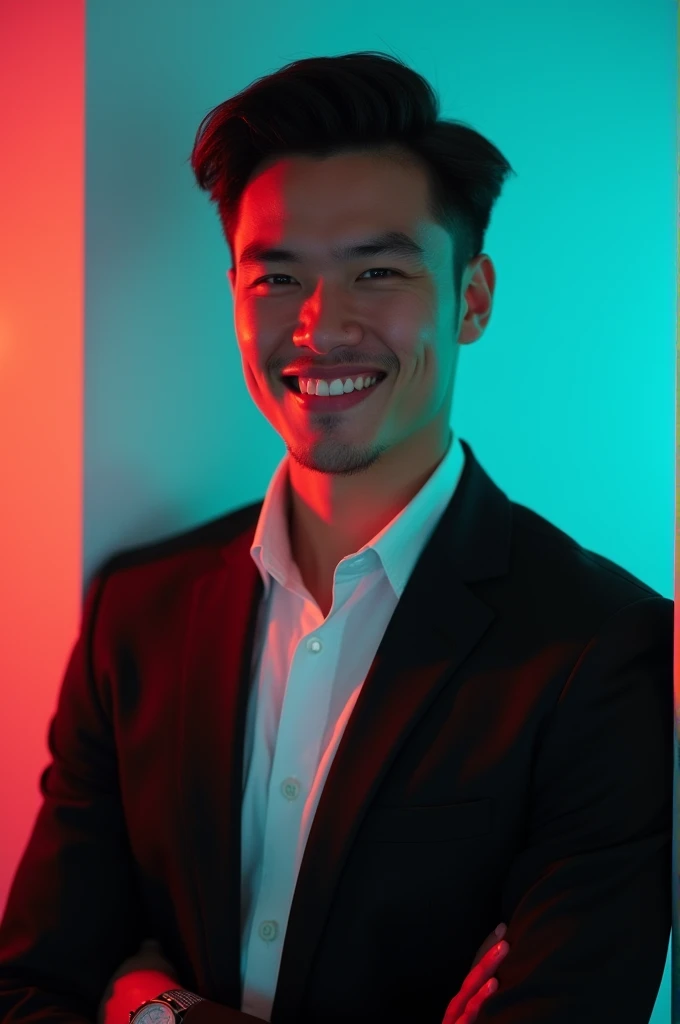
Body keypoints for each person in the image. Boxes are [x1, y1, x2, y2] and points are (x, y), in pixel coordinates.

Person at [0, 50, 672, 1024]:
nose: (320, 325)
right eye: (277, 276)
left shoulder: (602, 646)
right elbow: (26, 989)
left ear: (470, 296)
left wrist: (158, 1010)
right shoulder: (136, 610)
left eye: (376, 270)